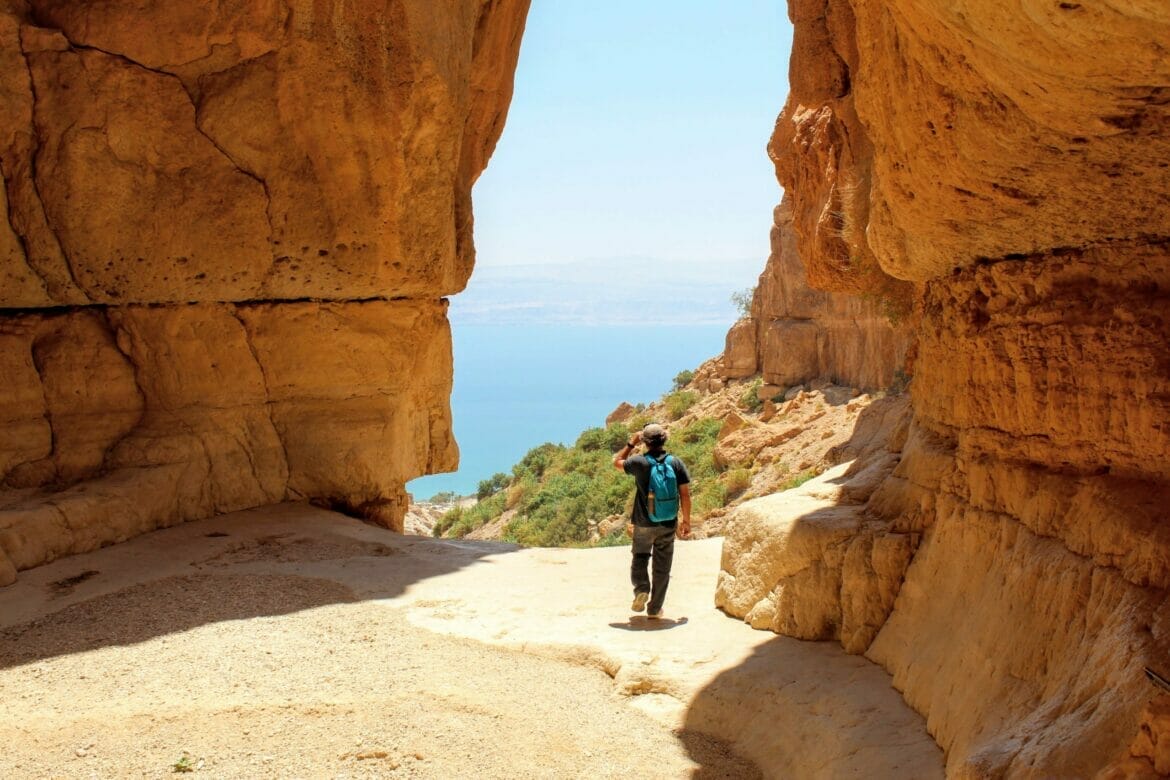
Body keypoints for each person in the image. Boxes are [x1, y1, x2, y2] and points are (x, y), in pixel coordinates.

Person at [612, 422, 691, 618]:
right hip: (668, 522)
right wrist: (686, 520)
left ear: (645, 442)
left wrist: (631, 443)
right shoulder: (676, 463)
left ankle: (641, 589)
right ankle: (655, 608)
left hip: (643, 523)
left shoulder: (639, 463)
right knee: (662, 566)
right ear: (664, 439)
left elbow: (617, 462)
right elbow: (685, 495)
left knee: (640, 557)